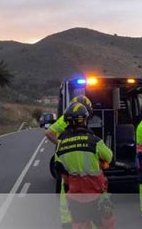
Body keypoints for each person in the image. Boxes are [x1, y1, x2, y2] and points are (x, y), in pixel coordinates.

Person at [54, 102, 115, 229]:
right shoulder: (95, 142)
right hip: (97, 193)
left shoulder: (61, 146)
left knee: (80, 224)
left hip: (76, 196)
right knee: (107, 223)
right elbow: (110, 158)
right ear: (85, 120)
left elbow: (60, 170)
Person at [44, 95, 93, 227]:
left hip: (70, 159)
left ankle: (73, 219)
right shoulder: (66, 119)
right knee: (65, 190)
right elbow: (49, 133)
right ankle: (68, 221)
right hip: (65, 160)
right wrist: (62, 145)